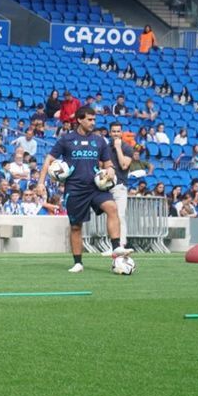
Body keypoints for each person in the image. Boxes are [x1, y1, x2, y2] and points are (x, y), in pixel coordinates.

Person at [35, 106, 133, 273]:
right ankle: (78, 263)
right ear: (79, 120)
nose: (93, 122)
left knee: (112, 207)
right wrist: (40, 183)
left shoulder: (100, 141)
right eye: (89, 119)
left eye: (94, 120)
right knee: (76, 227)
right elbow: (48, 160)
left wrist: (110, 170)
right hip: (74, 188)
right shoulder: (66, 140)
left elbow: (108, 163)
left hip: (96, 186)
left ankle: (116, 247)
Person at [102, 121, 133, 254]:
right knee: (110, 216)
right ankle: (113, 246)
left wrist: (118, 148)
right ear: (110, 132)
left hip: (120, 186)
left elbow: (124, 165)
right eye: (113, 131)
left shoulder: (127, 148)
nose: (115, 134)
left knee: (120, 215)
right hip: (107, 186)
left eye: (118, 131)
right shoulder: (105, 147)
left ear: (121, 132)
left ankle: (121, 245)